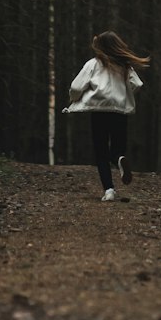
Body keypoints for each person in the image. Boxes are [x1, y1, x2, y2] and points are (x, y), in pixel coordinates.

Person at [63, 30, 150, 201]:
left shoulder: (93, 64)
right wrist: (125, 94)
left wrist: (74, 99)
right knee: (117, 148)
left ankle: (109, 190)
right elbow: (137, 84)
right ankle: (120, 158)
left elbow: (76, 87)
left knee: (101, 150)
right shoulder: (125, 66)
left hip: (99, 111)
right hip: (119, 111)